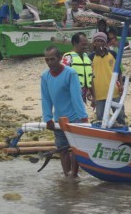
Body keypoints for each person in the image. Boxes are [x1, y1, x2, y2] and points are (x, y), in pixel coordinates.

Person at [41, 45, 88, 178]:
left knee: (75, 149)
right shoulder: (45, 76)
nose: (50, 63)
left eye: (52, 59)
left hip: (74, 117)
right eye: (47, 60)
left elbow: (76, 97)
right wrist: (47, 118)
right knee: (62, 149)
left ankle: (74, 174)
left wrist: (83, 117)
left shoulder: (70, 73)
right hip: (58, 119)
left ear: (60, 58)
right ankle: (67, 176)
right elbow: (46, 98)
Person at [89, 32, 125, 125]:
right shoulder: (90, 57)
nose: (99, 43)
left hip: (114, 91)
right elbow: (89, 76)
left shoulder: (112, 54)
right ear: (94, 43)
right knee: (101, 119)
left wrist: (121, 84)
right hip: (99, 93)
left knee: (120, 116)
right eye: (97, 41)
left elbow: (119, 71)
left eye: (101, 41)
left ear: (105, 43)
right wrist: (90, 92)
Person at [62, 32, 94, 103]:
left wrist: (91, 92)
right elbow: (61, 77)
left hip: (83, 94)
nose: (85, 46)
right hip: (70, 94)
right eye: (83, 44)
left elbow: (91, 77)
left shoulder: (87, 58)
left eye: (86, 44)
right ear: (75, 43)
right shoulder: (68, 57)